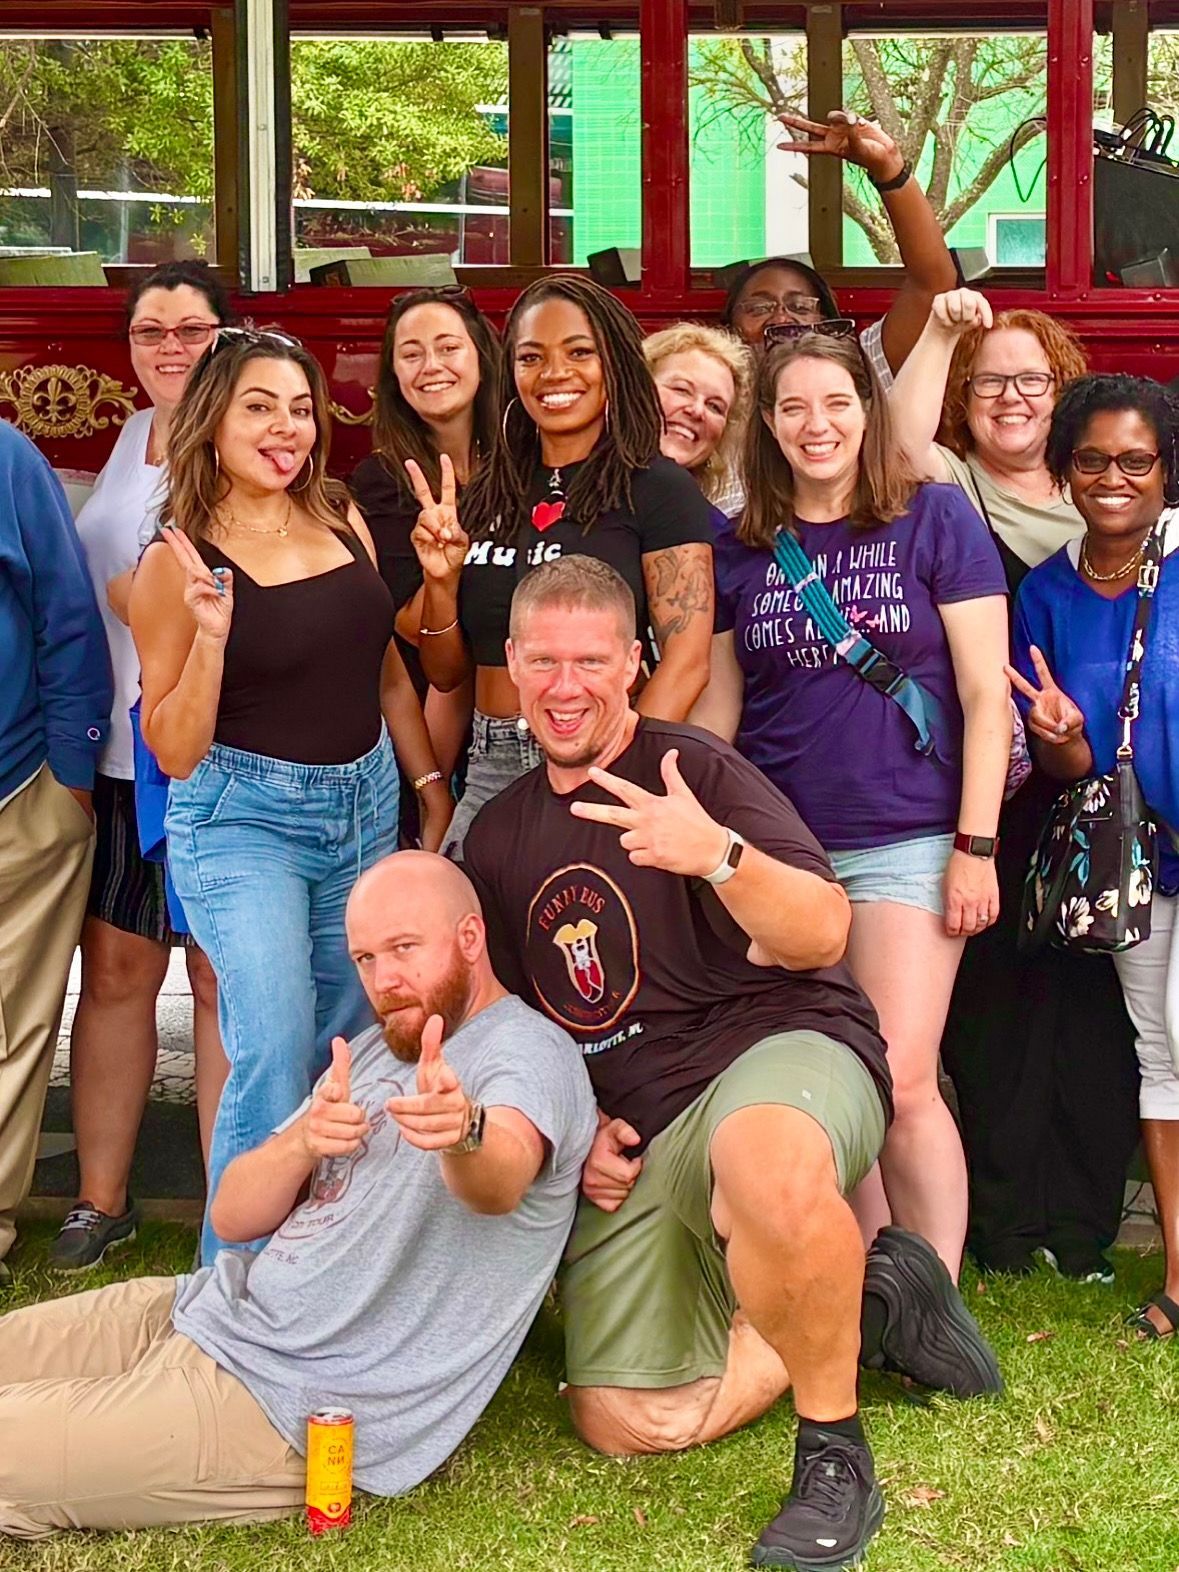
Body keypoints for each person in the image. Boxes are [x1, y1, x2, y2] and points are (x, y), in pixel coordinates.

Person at [463, 555, 1001, 1572]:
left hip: (780, 1049)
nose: (566, 685)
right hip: (647, 1124)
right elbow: (513, 1025)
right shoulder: (499, 834)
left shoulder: (696, 772)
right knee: (624, 1419)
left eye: (590, 660)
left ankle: (834, 1453)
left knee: (763, 1166)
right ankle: (873, 1302)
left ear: (635, 662)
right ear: (512, 667)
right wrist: (574, 1132)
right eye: (544, 661)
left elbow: (823, 930)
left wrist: (715, 855)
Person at [0, 851, 596, 1536]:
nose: (385, 980)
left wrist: (463, 1130)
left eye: (404, 949)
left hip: (285, 1404)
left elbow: (502, 1176)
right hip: (202, 1310)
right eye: (366, 958)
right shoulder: (373, 1049)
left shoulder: (525, 1051)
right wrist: (300, 1143)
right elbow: (233, 1212)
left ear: (468, 938)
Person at [130, 328, 452, 1264]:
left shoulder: (341, 516)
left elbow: (386, 668)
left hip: (360, 807)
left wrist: (426, 783)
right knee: (272, 1044)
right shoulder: (177, 561)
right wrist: (214, 640)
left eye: (300, 408)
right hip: (244, 818)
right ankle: (228, 1288)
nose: (286, 428)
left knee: (355, 1044)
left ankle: (327, 1272)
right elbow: (175, 749)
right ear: (213, 424)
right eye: (259, 407)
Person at [692, 330, 1010, 1278]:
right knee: (841, 1077)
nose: (815, 424)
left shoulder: (934, 518)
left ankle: (934, 1295)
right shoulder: (737, 545)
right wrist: (702, 828)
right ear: (767, 426)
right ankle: (871, 1283)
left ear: (866, 413)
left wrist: (976, 845)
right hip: (781, 850)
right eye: (792, 408)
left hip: (909, 836)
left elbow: (986, 692)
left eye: (835, 402)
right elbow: (721, 702)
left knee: (904, 1074)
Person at [890, 289, 1141, 1279]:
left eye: (1030, 378)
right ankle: (1001, 1230)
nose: (1009, 396)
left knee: (1091, 1015)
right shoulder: (950, 487)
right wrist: (944, 330)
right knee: (992, 1017)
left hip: (1100, 793)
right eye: (988, 379)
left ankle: (1080, 1229)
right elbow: (900, 439)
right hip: (985, 792)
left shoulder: (1104, 496)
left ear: (1063, 389)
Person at [53, 260, 232, 1273]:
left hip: (210, 756)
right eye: (150, 333)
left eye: (192, 330)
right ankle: (99, 1197)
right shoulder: (132, 439)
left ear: (228, 337)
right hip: (123, 756)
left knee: (215, 977)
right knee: (116, 971)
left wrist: (144, 602)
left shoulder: (248, 442)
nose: (170, 349)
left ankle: (226, 1209)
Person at [408, 274, 716, 857]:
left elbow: (688, 662)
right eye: (531, 357)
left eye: (579, 352)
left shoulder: (657, 489)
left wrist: (612, 772)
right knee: (466, 936)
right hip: (493, 761)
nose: (554, 374)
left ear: (615, 363)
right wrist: (441, 583)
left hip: (604, 757)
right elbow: (449, 674)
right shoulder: (486, 494)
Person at [1010, 374, 1179, 1326]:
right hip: (1129, 858)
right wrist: (1059, 732)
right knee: (1157, 1052)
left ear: (1164, 469)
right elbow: (1067, 761)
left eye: (1136, 460)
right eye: (1092, 460)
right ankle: (1176, 1283)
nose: (1113, 477)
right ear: (1065, 470)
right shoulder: (1046, 590)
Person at [0, 421, 112, 1287]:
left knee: (12, 1025)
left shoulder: (5, 456)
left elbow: (67, 615)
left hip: (14, 785)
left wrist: (70, 771)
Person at [349, 287, 501, 833]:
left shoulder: (528, 460)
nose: (431, 366)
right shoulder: (382, 480)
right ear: (393, 377)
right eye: (411, 354)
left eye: (448, 348)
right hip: (428, 712)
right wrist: (448, 576)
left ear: (482, 354)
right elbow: (406, 624)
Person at [722, 110, 958, 388]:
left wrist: (889, 169)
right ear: (729, 329)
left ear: (826, 323)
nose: (782, 318)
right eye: (759, 307)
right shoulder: (712, 385)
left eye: (800, 306)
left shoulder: (859, 371)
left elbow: (933, 283)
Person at [642, 323, 753, 516]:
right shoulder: (574, 490)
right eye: (682, 390)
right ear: (636, 387)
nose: (697, 410)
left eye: (714, 406)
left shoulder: (719, 537)